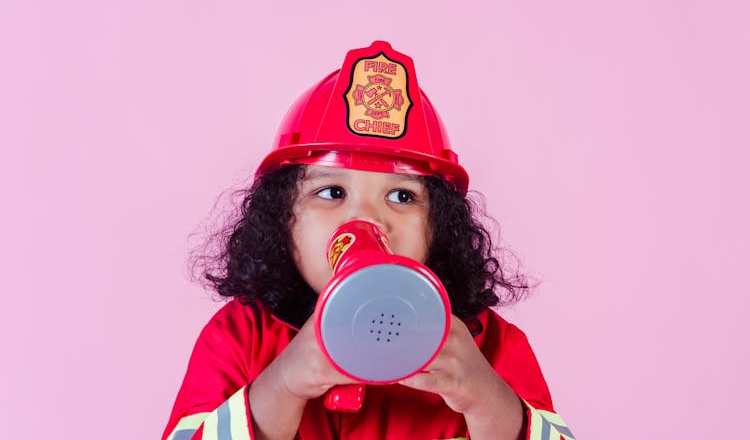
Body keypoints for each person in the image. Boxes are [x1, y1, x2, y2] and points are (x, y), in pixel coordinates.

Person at [163, 41, 574, 440]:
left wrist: (488, 401)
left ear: (440, 227)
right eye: (331, 193)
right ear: (280, 219)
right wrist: (283, 385)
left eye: (401, 196)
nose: (367, 220)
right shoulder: (239, 336)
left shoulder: (488, 347)